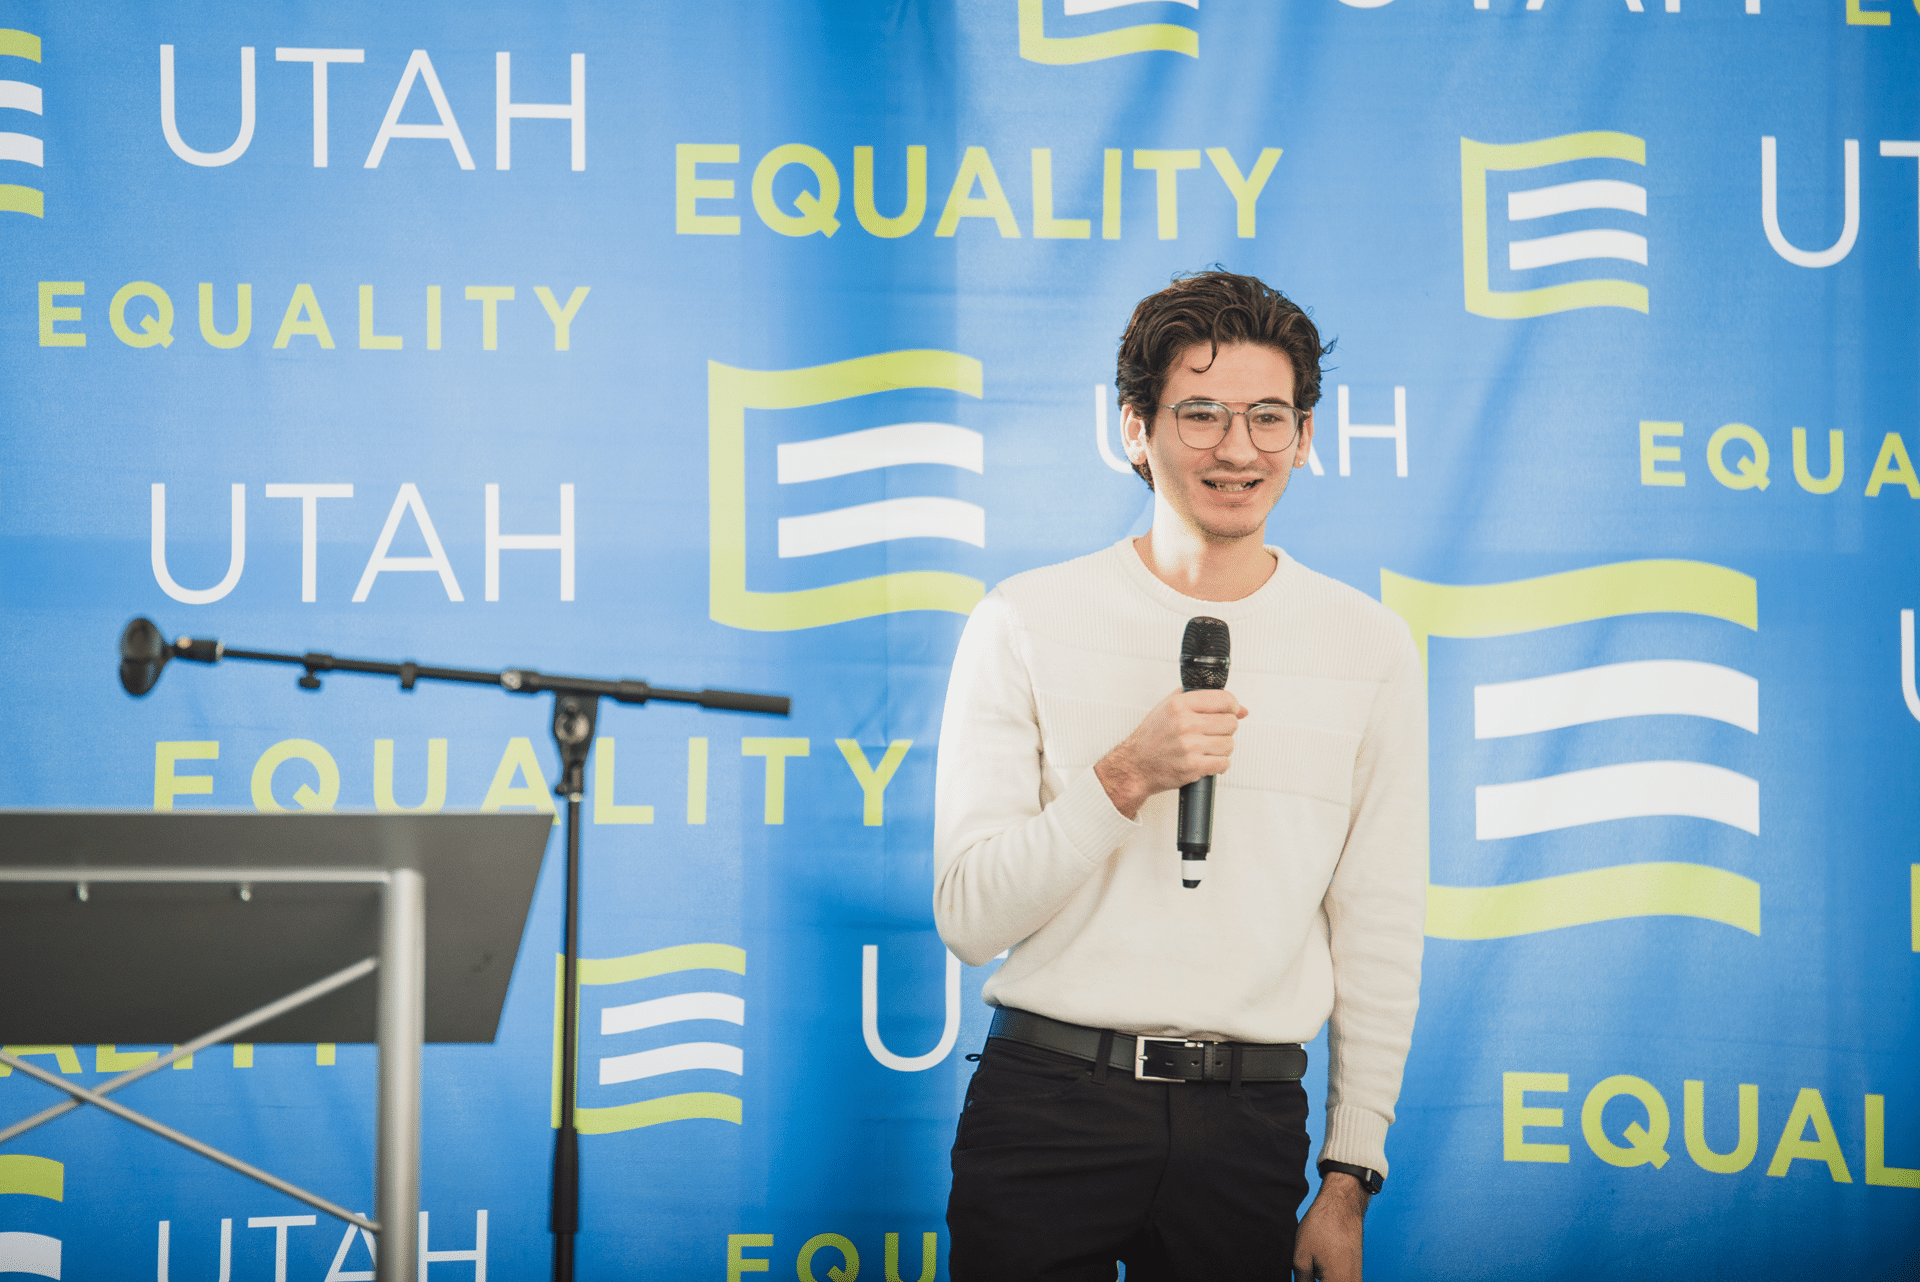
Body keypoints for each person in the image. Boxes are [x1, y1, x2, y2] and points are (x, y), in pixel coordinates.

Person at [933, 270, 1427, 1282]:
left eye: (1267, 418)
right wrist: (1119, 779)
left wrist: (1348, 1172)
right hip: (1049, 1104)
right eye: (1199, 414)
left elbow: (1379, 924)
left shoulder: (1371, 645)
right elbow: (970, 916)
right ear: (1134, 427)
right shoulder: (1023, 619)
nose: (1237, 448)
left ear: (1307, 434)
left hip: (1247, 1128)